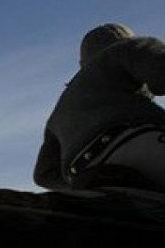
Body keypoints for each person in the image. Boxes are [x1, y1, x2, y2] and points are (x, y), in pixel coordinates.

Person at [34, 23, 165, 192]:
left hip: (85, 173)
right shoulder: (122, 50)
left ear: (82, 62)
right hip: (137, 141)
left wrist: (75, 189)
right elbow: (160, 70)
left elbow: (43, 174)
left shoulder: (58, 111)